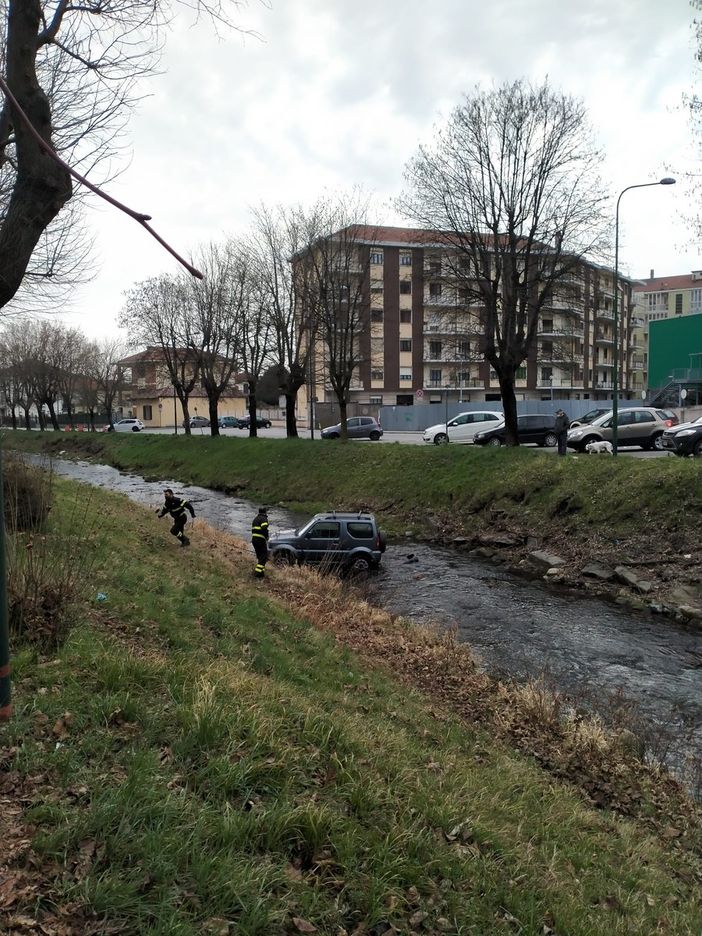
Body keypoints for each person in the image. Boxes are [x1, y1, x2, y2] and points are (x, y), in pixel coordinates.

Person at [251, 506, 269, 578]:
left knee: (260, 557)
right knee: (264, 557)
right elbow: (264, 528)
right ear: (265, 512)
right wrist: (266, 536)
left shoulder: (255, 519)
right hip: (260, 540)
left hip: (254, 540)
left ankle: (261, 573)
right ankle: (257, 574)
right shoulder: (264, 519)